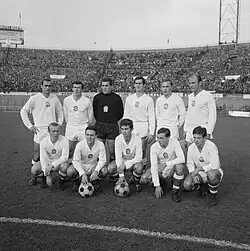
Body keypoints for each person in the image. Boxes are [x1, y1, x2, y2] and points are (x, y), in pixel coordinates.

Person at [20, 78, 64, 185]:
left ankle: (45, 176)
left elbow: (60, 112)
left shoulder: (55, 98)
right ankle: (34, 176)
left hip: (52, 131)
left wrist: (59, 124)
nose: (48, 88)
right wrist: (30, 126)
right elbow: (23, 111)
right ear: (41, 86)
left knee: (50, 153)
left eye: (49, 86)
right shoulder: (34, 98)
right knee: (37, 154)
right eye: (45, 85)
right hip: (39, 130)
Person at [93, 77, 124, 182]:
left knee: (112, 151)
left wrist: (112, 120)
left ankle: (113, 172)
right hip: (100, 125)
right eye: (103, 86)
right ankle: (98, 171)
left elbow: (120, 113)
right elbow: (95, 111)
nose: (104, 88)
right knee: (97, 150)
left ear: (111, 86)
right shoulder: (97, 98)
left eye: (106, 85)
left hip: (112, 126)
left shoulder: (117, 98)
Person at [183, 126, 223, 206]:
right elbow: (190, 163)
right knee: (187, 185)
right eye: (194, 138)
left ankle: (213, 196)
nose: (196, 140)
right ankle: (203, 186)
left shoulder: (211, 146)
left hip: (213, 171)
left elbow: (215, 165)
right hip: (200, 172)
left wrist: (200, 168)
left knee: (212, 176)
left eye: (199, 138)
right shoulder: (191, 147)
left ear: (205, 138)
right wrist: (192, 173)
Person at [143, 128, 185, 202]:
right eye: (158, 138)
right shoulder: (154, 147)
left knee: (180, 166)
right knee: (144, 179)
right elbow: (154, 166)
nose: (159, 140)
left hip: (171, 168)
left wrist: (166, 164)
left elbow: (182, 159)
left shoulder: (175, 142)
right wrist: (157, 185)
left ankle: (175, 191)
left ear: (168, 138)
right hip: (160, 168)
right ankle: (161, 182)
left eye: (161, 138)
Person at [67, 125, 107, 193]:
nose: (89, 137)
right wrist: (82, 173)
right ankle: (77, 182)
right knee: (70, 171)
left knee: (104, 171)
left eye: (92, 135)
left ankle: (95, 182)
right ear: (85, 135)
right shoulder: (80, 145)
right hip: (82, 165)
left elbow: (102, 160)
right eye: (87, 135)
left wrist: (96, 171)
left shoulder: (100, 144)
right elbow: (75, 161)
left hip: (93, 165)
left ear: (96, 136)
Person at [123, 76, 155, 161]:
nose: (138, 85)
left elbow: (152, 117)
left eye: (140, 83)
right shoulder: (129, 98)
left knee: (142, 151)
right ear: (134, 85)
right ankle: (130, 169)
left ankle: (141, 170)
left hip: (143, 127)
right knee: (130, 150)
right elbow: (126, 115)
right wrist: (124, 129)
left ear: (144, 85)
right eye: (136, 83)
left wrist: (151, 132)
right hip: (131, 127)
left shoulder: (148, 99)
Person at [28, 122, 69, 189]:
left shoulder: (64, 140)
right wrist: (47, 175)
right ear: (48, 132)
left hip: (58, 163)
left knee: (64, 166)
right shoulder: (43, 142)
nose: (56, 133)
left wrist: (52, 165)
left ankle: (61, 182)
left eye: (57, 131)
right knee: (34, 169)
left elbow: (65, 157)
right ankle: (43, 179)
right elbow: (43, 159)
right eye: (53, 131)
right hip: (47, 163)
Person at [107, 119, 143, 193]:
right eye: (122, 129)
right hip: (121, 164)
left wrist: (126, 164)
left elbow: (139, 158)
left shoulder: (137, 139)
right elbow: (118, 158)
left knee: (139, 167)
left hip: (133, 163)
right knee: (110, 168)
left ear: (132, 129)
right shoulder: (118, 139)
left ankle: (136, 182)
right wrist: (121, 175)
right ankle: (119, 180)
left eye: (126, 129)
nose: (124, 131)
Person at [184, 74, 217, 145]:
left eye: (193, 83)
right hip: (190, 130)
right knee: (189, 154)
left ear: (199, 83)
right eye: (189, 83)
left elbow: (212, 115)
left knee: (201, 154)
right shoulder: (190, 96)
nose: (191, 85)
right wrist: (185, 129)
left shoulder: (207, 96)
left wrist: (209, 132)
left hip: (201, 130)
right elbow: (188, 114)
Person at [63, 81, 94, 158]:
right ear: (72, 88)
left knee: (84, 148)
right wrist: (70, 123)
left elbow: (90, 116)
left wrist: (86, 125)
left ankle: (83, 165)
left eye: (78, 88)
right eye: (75, 87)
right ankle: (69, 164)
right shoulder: (67, 100)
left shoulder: (87, 101)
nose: (76, 89)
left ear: (82, 89)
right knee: (69, 148)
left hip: (82, 127)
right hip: (71, 126)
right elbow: (66, 114)